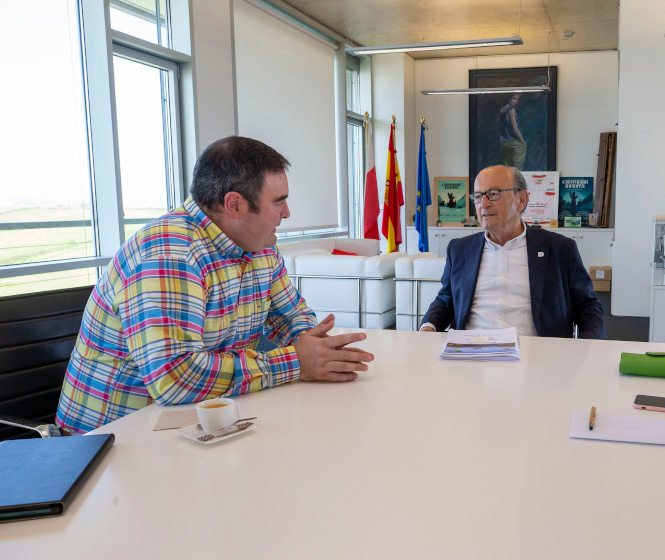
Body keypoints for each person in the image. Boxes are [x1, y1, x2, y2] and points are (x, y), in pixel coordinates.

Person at [56, 136, 375, 433]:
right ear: (235, 205)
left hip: (200, 423)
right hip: (112, 442)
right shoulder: (169, 254)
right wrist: (296, 362)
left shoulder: (260, 245)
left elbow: (291, 317)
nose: (287, 213)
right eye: (279, 202)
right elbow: (175, 379)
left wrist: (313, 345)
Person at [420, 165, 605, 339]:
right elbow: (445, 301)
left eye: (493, 194)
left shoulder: (559, 249)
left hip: (538, 355)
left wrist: (588, 346)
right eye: (477, 196)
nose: (483, 204)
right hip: (471, 353)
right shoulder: (460, 250)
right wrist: (428, 326)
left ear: (521, 200)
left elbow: (587, 307)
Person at [498, 94, 527, 168]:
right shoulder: (511, 110)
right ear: (508, 98)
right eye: (514, 98)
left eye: (517, 99)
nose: (516, 101)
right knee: (518, 168)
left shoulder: (502, 110)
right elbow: (515, 128)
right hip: (513, 141)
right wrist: (522, 141)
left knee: (507, 168)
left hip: (503, 142)